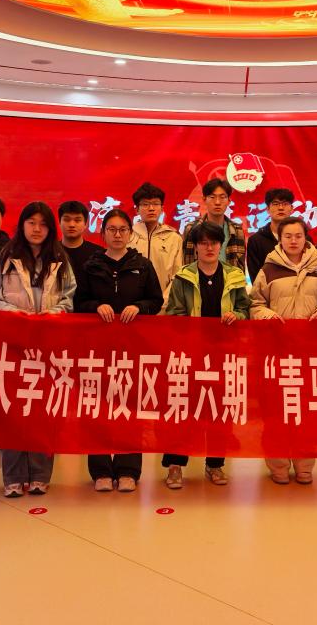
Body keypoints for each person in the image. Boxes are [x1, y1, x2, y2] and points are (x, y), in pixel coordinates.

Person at [0, 202, 75, 497]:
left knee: (43, 412)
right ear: (21, 225)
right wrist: (18, 316)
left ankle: (39, 475)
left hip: (48, 345)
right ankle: (13, 477)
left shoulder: (59, 258)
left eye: (43, 224)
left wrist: (53, 314)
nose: (37, 229)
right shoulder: (6, 257)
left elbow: (69, 297)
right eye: (31, 222)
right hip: (12, 345)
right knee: (12, 411)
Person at [76, 209, 164, 492]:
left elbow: (156, 300)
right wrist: (95, 306)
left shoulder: (142, 265)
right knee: (97, 407)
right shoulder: (91, 265)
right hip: (97, 348)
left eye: (123, 230)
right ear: (102, 233)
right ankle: (101, 470)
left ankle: (128, 469)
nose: (117, 235)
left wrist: (139, 307)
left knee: (130, 407)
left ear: (130, 233)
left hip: (132, 347)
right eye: (112, 230)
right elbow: (78, 302)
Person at [162, 221, 250, 489]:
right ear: (196, 247)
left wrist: (237, 316)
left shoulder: (234, 275)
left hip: (224, 354)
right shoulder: (183, 277)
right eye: (204, 243)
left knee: (219, 409)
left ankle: (215, 464)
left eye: (214, 243)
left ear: (221, 246)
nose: (209, 248)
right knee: (183, 408)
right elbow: (173, 313)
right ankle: (175, 465)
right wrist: (189, 327)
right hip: (191, 353)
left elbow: (245, 309)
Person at [252, 217, 317, 484]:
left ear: (305, 238)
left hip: (310, 351)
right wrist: (267, 315)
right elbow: (255, 304)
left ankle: (304, 465)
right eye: (288, 236)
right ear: (279, 239)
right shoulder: (268, 268)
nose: (293, 240)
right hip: (276, 351)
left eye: (298, 236)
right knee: (275, 410)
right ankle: (278, 465)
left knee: (307, 410)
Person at [128, 182, 182, 312]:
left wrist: (163, 301)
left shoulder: (174, 238)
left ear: (162, 208)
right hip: (130, 308)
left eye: (156, 204)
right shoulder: (127, 236)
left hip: (164, 307)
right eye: (145, 204)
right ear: (137, 209)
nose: (151, 208)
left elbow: (178, 275)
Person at [182, 178, 246, 273]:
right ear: (204, 199)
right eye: (212, 197)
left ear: (229, 201)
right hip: (198, 281)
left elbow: (241, 267)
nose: (217, 202)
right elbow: (186, 262)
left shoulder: (237, 230)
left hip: (230, 281)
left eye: (222, 197)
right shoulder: (191, 229)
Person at [246, 187, 296, 281]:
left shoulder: (303, 239)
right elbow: (255, 277)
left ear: (291, 208)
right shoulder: (256, 241)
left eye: (285, 204)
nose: (280, 208)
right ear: (268, 209)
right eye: (276, 204)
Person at [58, 200, 104, 291]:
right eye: (67, 220)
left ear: (85, 224)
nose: (72, 225)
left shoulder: (98, 254)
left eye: (77, 220)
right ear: (59, 222)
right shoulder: (50, 252)